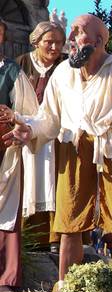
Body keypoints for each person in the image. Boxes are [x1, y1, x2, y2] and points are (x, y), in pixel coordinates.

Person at [2, 14, 112, 291]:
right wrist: (28, 127)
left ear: (99, 40)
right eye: (73, 33)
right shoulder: (63, 73)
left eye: (79, 32)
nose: (72, 39)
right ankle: (68, 287)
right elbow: (48, 119)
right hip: (72, 148)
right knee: (69, 222)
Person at [17, 19, 66, 252]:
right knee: (27, 184)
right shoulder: (19, 65)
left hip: (58, 136)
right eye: (49, 42)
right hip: (25, 135)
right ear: (36, 41)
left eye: (59, 43)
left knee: (57, 184)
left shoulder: (67, 68)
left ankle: (56, 238)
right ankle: (28, 237)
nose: (55, 48)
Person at [0, 19, 38, 292]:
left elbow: (30, 114)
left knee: (5, 212)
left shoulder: (11, 71)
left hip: (4, 149)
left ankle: (6, 278)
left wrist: (16, 125)